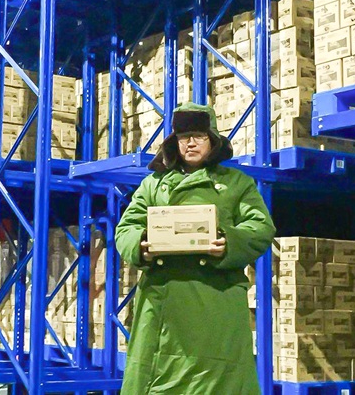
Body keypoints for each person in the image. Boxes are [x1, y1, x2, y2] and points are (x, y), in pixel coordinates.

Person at [115, 102, 276, 394]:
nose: (190, 143)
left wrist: (228, 243)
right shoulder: (153, 185)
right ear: (174, 142)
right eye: (183, 136)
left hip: (217, 301)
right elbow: (125, 228)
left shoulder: (237, 184)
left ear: (212, 140)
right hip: (163, 300)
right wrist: (141, 245)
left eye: (198, 136)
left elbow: (261, 228)